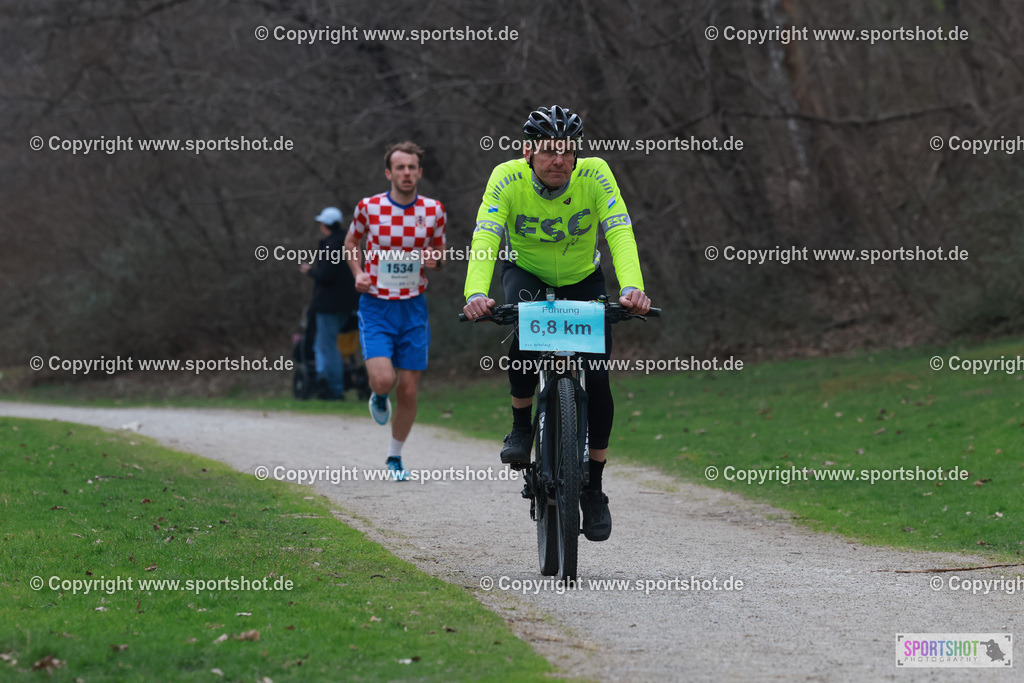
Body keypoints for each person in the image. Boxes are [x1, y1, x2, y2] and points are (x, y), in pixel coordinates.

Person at [462, 105, 651, 541]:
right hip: (525, 271)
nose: (559, 160)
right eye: (549, 151)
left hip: (584, 277)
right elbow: (486, 233)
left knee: (599, 380)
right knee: (523, 325)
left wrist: (633, 289)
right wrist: (475, 293)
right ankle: (522, 424)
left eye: (567, 151)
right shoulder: (506, 177)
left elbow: (619, 229)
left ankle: (595, 489)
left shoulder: (595, 173)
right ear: (528, 152)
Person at [344, 142, 447, 481]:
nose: (406, 173)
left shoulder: (433, 210)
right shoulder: (368, 208)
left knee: (409, 389)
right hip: (375, 305)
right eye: (400, 168)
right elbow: (351, 243)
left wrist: (436, 260)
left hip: (413, 307)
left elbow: (439, 253)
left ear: (419, 172)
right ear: (389, 173)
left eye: (412, 167)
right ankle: (377, 394)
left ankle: (394, 457)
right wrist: (358, 273)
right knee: (385, 380)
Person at [300, 207, 358, 400]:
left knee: (327, 346)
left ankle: (334, 388)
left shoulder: (330, 245)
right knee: (328, 345)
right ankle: (324, 378)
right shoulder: (350, 242)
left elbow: (326, 275)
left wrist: (309, 271)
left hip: (329, 306)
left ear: (325, 225)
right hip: (349, 305)